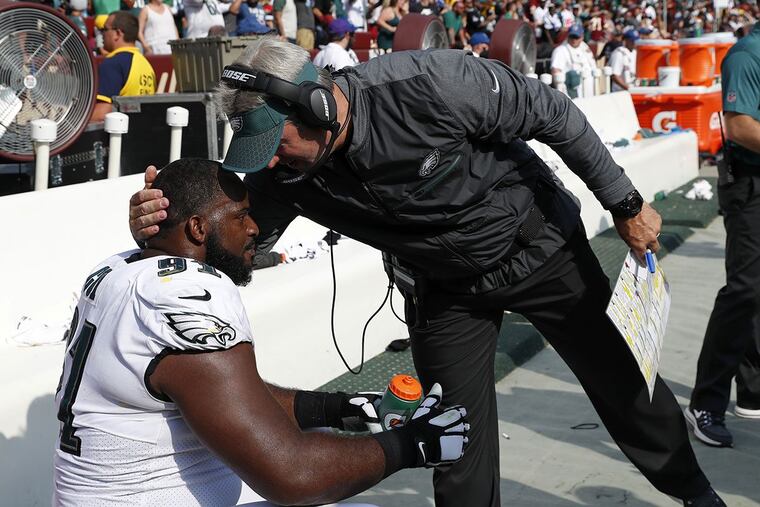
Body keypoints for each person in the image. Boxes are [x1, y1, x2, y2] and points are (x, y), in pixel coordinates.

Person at [130, 36, 726, 507]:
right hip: (443, 287)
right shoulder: (284, 172)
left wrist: (624, 202)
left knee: (623, 384)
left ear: (313, 102)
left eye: (279, 144)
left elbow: (553, 113)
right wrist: (159, 225)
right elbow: (232, 243)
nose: (275, 163)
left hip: (540, 248)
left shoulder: (431, 85)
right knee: (451, 432)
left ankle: (692, 491)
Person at [55, 158, 469, 506]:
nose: (253, 228)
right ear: (198, 229)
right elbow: (291, 474)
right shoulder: (186, 295)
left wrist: (337, 406)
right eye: (239, 216)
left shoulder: (118, 266)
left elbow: (225, 393)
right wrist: (412, 445)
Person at [685, 21, 760, 448]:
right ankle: (706, 402)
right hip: (750, 187)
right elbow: (739, 126)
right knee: (744, 291)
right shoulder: (748, 54)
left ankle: (752, 390)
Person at [90, 11, 156, 123]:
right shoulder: (147, 65)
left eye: (105, 29)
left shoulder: (112, 64)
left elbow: (101, 114)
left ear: (118, 33)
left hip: (120, 136)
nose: (102, 34)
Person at [550, 23, 596, 97]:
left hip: (588, 92)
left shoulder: (584, 47)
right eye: (572, 37)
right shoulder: (560, 50)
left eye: (576, 37)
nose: (574, 40)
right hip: (571, 94)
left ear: (582, 37)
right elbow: (555, 72)